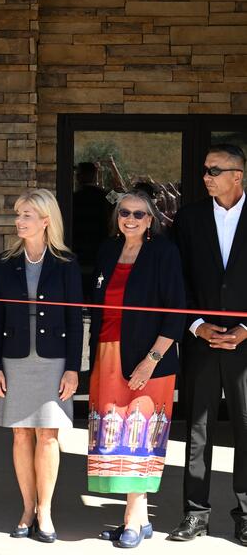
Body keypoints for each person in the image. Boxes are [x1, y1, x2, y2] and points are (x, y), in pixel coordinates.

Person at [87, 191, 185, 548]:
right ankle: (140, 519)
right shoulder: (107, 251)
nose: (130, 218)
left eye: (139, 214)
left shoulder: (164, 252)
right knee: (113, 438)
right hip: (108, 355)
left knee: (139, 437)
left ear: (150, 220)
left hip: (149, 361)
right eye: (124, 212)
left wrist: (151, 360)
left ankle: (131, 518)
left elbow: (176, 312)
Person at [0, 189, 83, 542]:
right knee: (20, 434)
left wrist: (73, 368)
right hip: (14, 359)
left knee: (48, 435)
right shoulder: (4, 262)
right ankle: (27, 507)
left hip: (53, 361)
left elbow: (75, 320)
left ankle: (46, 511)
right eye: (18, 214)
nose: (19, 220)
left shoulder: (66, 263)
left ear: (45, 220)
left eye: (26, 214)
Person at [171, 143, 247, 545]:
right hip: (201, 342)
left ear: (238, 175)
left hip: (246, 344)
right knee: (197, 430)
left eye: (214, 170)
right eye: (205, 169)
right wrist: (197, 325)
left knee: (246, 428)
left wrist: (246, 331)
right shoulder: (188, 219)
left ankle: (246, 513)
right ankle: (195, 513)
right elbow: (177, 280)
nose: (206, 176)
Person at [72, 161, 112, 301]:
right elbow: (120, 200)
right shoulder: (106, 195)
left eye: (78, 174)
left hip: (78, 248)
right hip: (99, 247)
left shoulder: (73, 198)